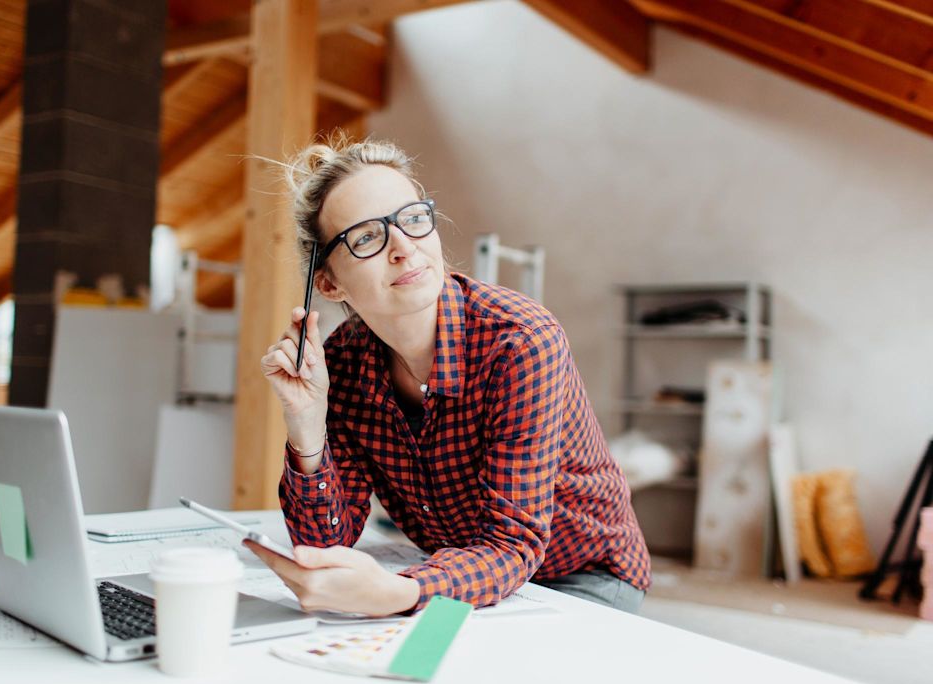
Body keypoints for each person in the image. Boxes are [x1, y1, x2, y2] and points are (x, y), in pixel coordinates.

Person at [245, 137, 650, 617]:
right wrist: (307, 424)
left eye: (412, 219)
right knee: (402, 671)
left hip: (580, 574)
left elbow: (512, 544)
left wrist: (399, 592)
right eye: (366, 237)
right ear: (329, 282)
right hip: (459, 574)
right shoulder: (344, 366)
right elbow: (325, 544)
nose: (403, 248)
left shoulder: (519, 340)